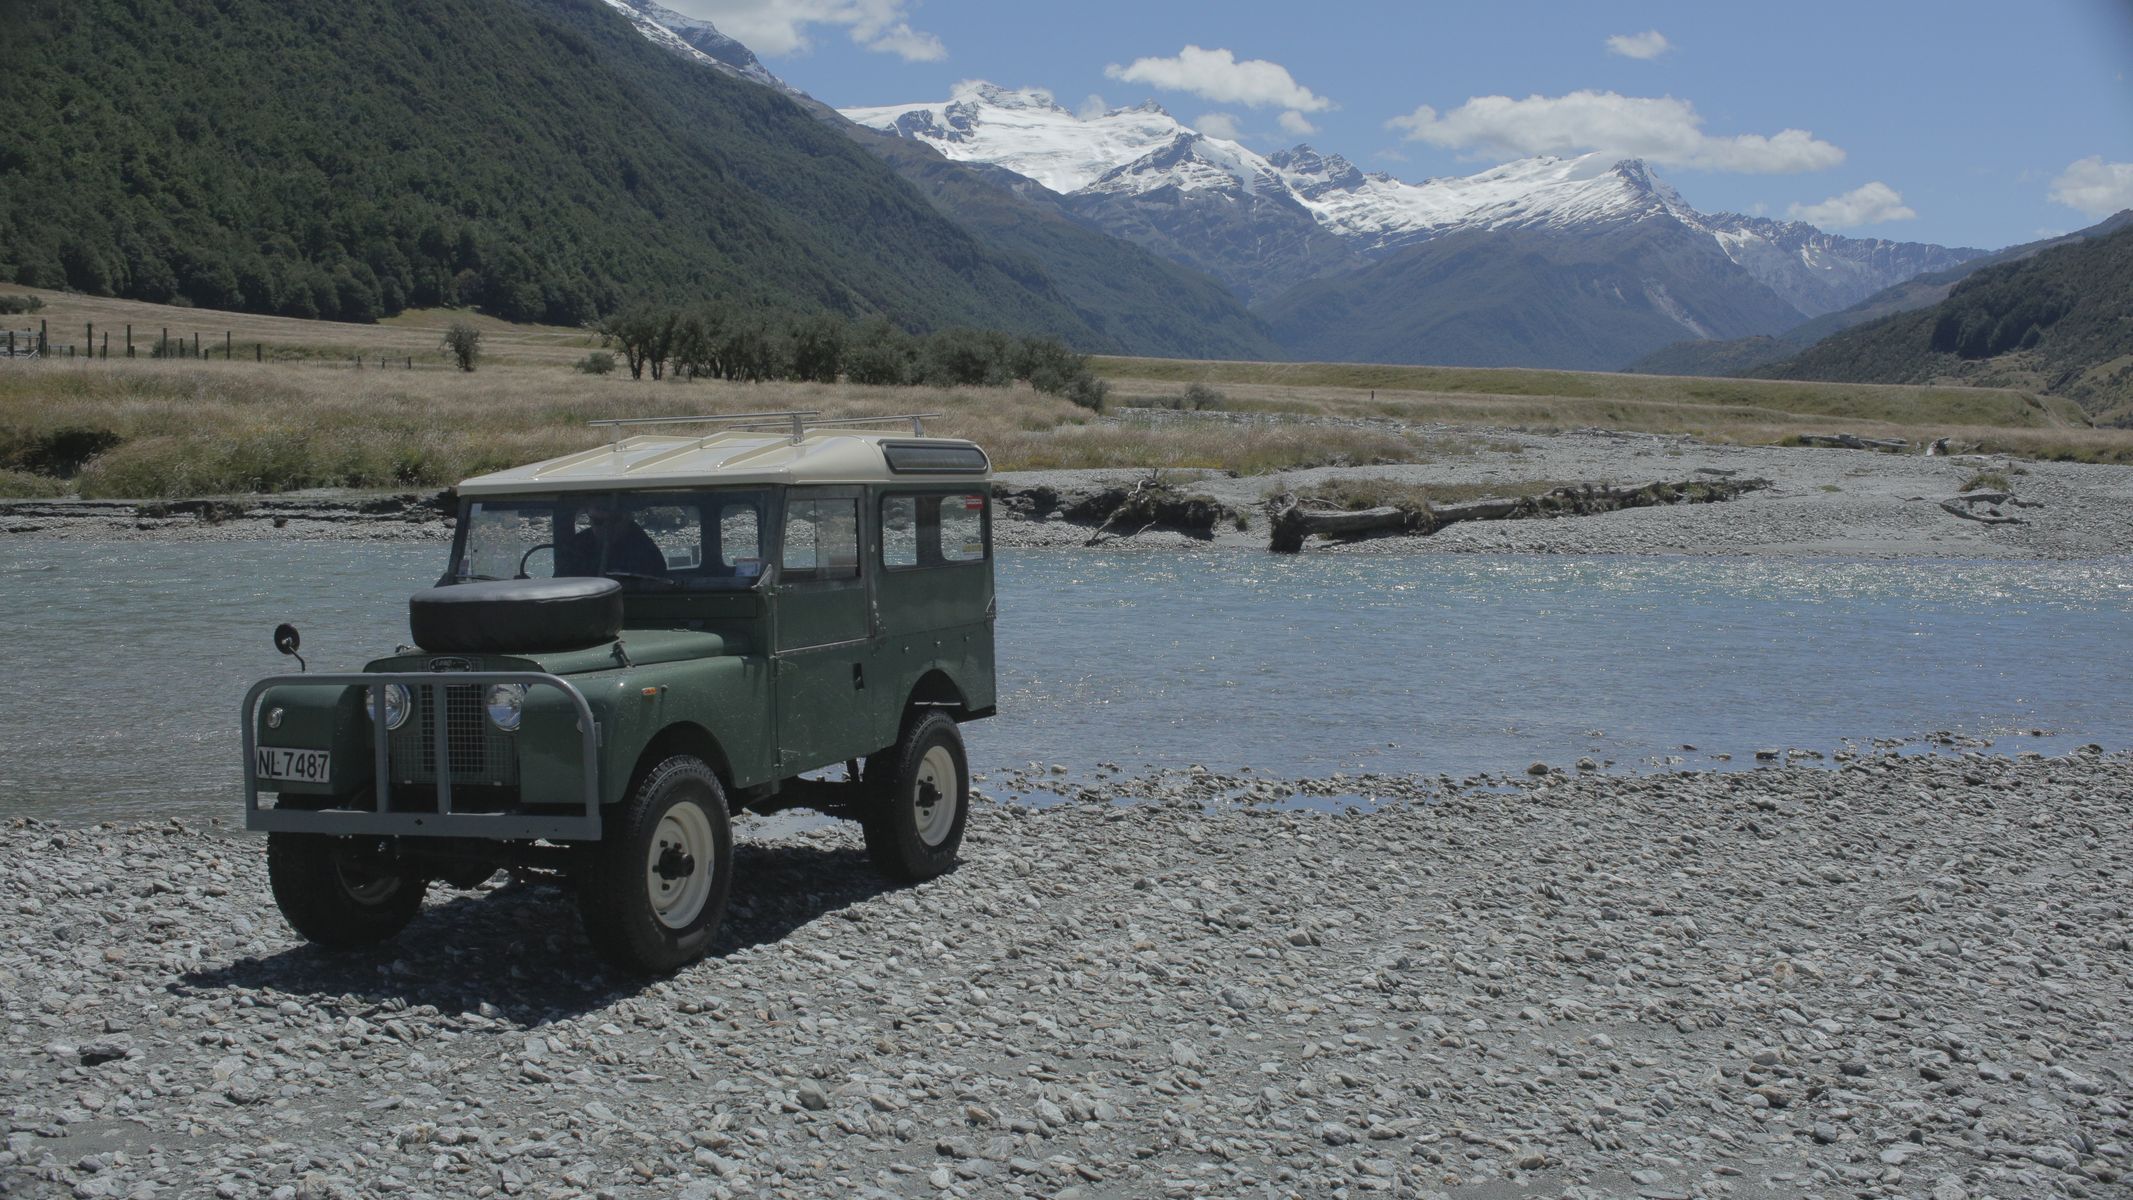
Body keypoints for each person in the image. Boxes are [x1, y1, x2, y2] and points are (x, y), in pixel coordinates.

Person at [559, 499, 667, 577]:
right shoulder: (577, 546)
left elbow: (654, 584)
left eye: (614, 521)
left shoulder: (644, 549)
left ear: (627, 519)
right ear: (590, 519)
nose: (606, 528)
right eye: (598, 521)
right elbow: (562, 584)